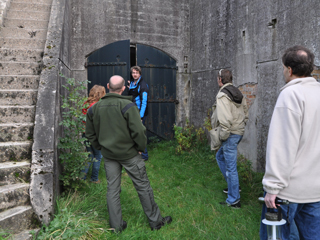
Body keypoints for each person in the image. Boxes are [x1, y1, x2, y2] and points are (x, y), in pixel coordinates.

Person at [85, 75, 172, 233]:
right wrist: (140, 147)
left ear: (108, 86)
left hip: (110, 156)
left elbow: (90, 134)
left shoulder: (94, 108)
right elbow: (139, 130)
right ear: (123, 88)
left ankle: (116, 226)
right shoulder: (127, 105)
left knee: (112, 189)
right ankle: (156, 222)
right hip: (130, 154)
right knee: (143, 187)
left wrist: (101, 147)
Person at [260, 45, 320, 239]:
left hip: (288, 192)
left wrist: (272, 188)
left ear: (289, 70)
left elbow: (282, 146)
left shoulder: (290, 94)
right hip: (316, 190)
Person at [212, 69, 248, 208]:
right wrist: (241, 126)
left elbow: (225, 119)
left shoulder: (222, 95)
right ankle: (233, 187)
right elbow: (245, 112)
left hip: (230, 134)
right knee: (220, 157)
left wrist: (223, 135)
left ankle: (234, 200)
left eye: (218, 78)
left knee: (231, 167)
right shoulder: (237, 92)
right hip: (238, 132)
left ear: (220, 79)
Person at [82, 85, 106, 183]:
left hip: (85, 133)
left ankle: (81, 177)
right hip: (94, 135)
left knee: (90, 156)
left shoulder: (86, 103)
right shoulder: (97, 106)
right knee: (98, 156)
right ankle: (94, 179)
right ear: (100, 94)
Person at [128, 66, 149, 160]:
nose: (134, 74)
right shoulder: (133, 82)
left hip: (139, 113)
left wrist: (141, 116)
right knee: (133, 133)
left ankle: (144, 155)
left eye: (136, 73)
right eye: (133, 73)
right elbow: (134, 93)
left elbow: (144, 102)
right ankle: (136, 152)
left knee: (140, 134)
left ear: (140, 74)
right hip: (133, 111)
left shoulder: (143, 85)